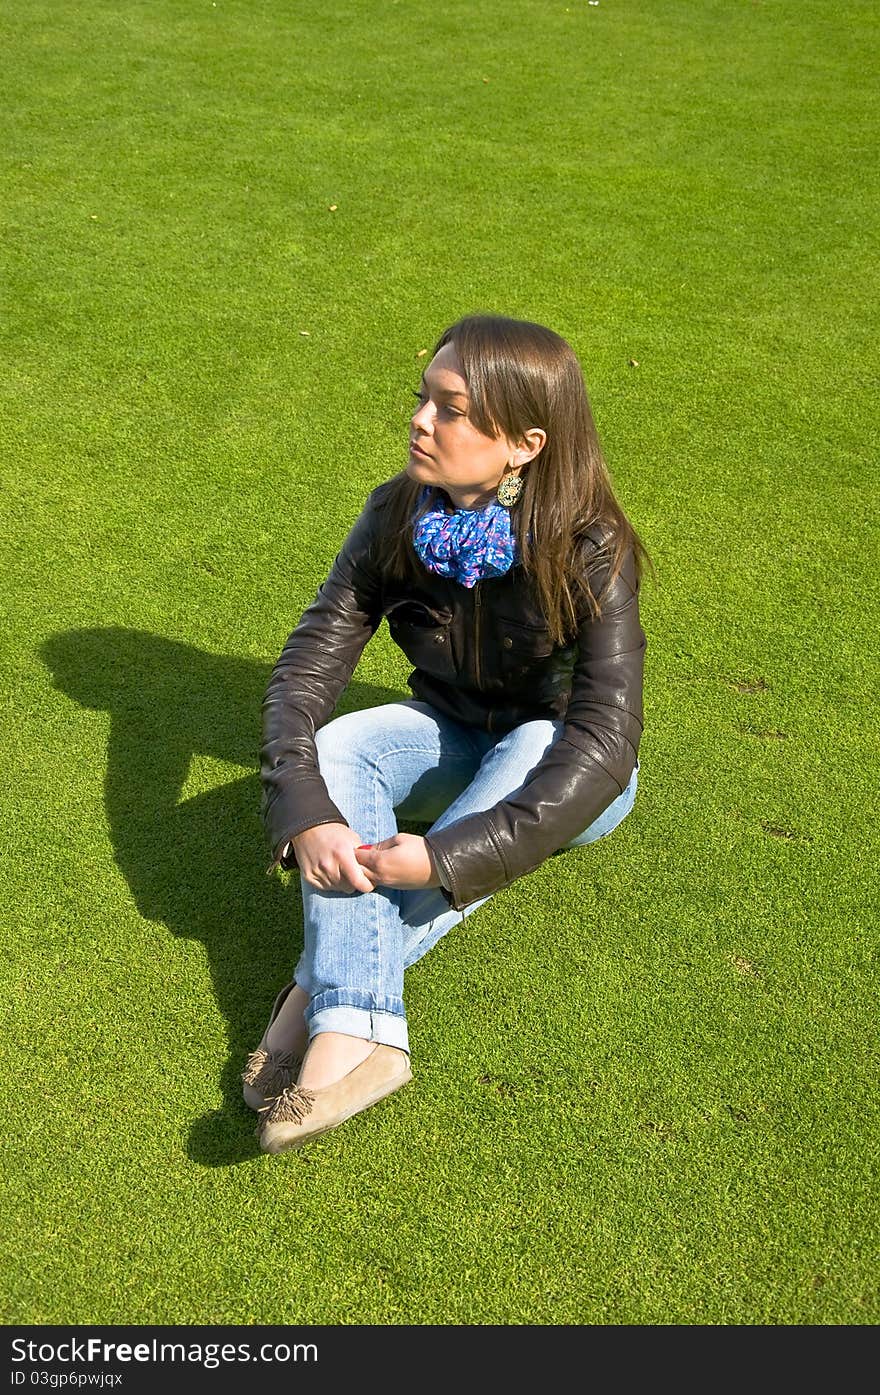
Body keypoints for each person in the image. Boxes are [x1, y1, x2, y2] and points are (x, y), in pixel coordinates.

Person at [246, 313, 651, 1154]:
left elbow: (605, 740)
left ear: (525, 443)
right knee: (343, 744)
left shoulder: (592, 546)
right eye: (423, 398)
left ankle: (320, 1006)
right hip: (450, 730)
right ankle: (368, 1036)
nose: (421, 421)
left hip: (565, 767)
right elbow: (305, 669)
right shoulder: (396, 514)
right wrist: (303, 810)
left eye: (453, 408)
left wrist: (445, 856)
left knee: (537, 744)